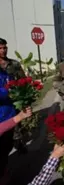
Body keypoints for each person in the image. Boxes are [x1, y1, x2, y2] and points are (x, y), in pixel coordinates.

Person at [0, 37, 26, 178]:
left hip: (14, 103)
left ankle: (17, 142)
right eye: (0, 48)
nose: (3, 50)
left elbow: (23, 80)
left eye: (5, 47)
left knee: (15, 126)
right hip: (2, 106)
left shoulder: (14, 64)